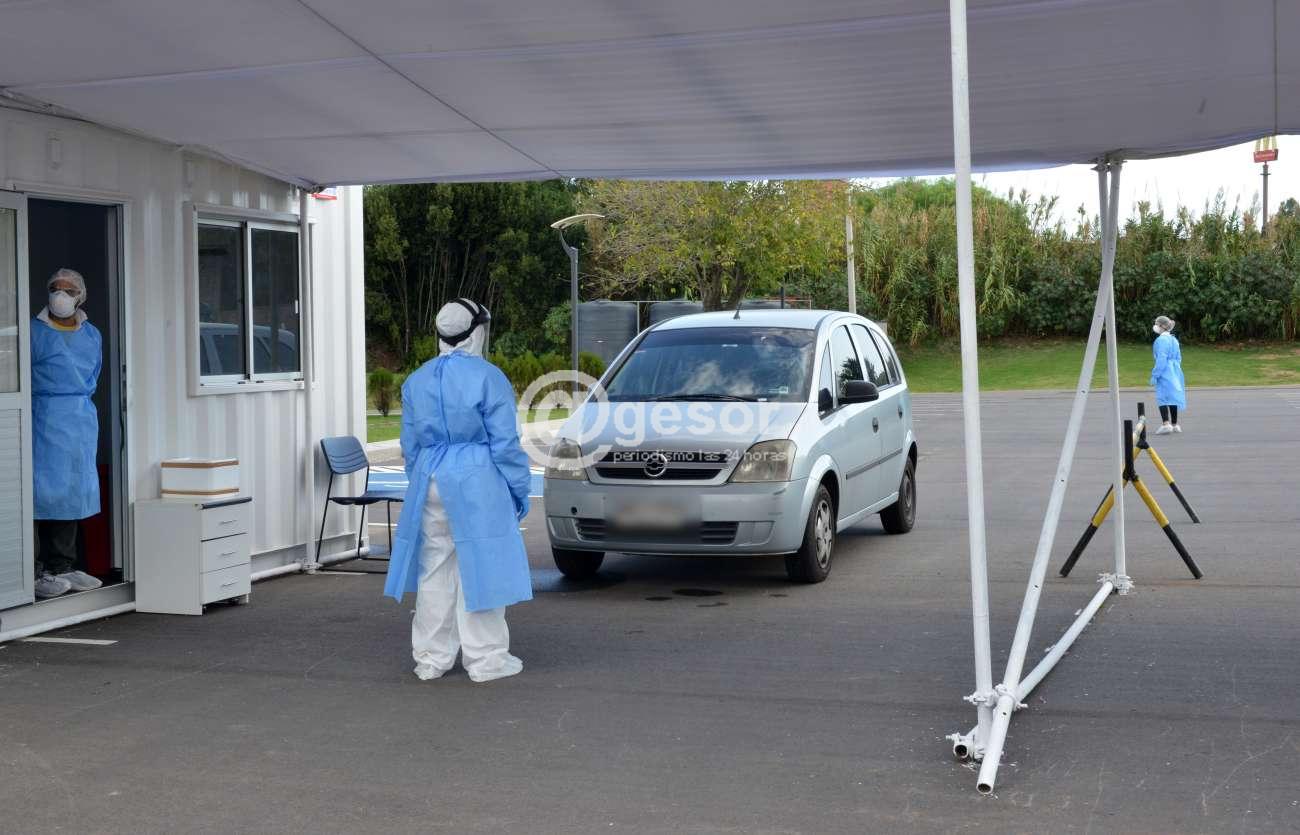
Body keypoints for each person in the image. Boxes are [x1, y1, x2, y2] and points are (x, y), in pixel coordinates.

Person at [384, 299, 532, 683]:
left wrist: (421, 481)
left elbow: (410, 446)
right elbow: (505, 444)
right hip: (477, 480)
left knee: (434, 568)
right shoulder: (489, 377)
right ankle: (486, 660)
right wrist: (520, 489)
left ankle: (431, 659)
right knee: (481, 568)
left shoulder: (417, 380)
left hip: (430, 478)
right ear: (476, 332)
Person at [31, 268, 105, 598]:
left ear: (81, 296)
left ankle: (63, 565)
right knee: (40, 493)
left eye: (69, 290)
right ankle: (35, 570)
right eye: (55, 288)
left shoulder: (92, 334)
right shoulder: (33, 332)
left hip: (79, 419)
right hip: (44, 416)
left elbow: (95, 373)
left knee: (72, 491)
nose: (60, 295)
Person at [1149, 315, 1185, 435]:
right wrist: (1175, 368)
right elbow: (1179, 357)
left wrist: (1155, 374)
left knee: (1163, 397)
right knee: (1173, 396)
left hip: (1165, 371)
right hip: (1175, 370)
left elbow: (1161, 359)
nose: (1155, 326)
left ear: (1162, 326)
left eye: (1157, 324)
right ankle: (1174, 424)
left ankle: (1166, 424)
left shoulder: (1161, 340)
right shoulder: (1174, 340)